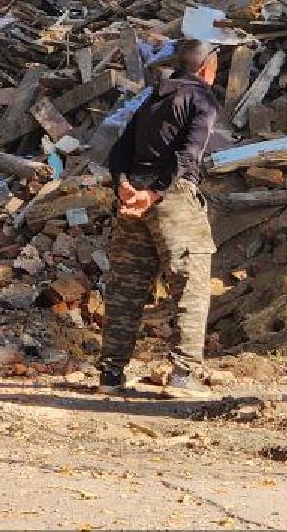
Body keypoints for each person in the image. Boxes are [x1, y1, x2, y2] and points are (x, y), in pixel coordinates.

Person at [98, 37, 222, 397]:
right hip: (170, 200)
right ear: (205, 68)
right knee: (190, 284)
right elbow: (190, 156)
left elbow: (119, 150)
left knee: (126, 287)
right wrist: (154, 194)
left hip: (132, 198)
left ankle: (110, 375)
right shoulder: (202, 99)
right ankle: (184, 375)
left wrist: (125, 186)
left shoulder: (154, 97)